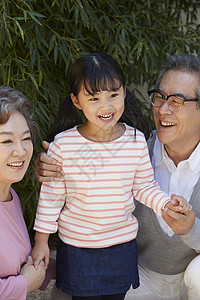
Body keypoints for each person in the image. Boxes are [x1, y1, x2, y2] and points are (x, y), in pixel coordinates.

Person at [31, 52, 190, 300]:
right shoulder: (63, 145)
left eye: (113, 95)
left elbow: (144, 187)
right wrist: (41, 242)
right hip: (78, 248)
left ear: (124, 92)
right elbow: (51, 199)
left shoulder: (135, 141)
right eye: (94, 98)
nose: (106, 106)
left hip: (121, 247)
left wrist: (165, 204)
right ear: (76, 100)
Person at [0, 85, 46, 300]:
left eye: (26, 138)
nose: (20, 150)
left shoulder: (11, 196)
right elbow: (23, 278)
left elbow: (18, 263)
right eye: (7, 140)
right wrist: (24, 284)